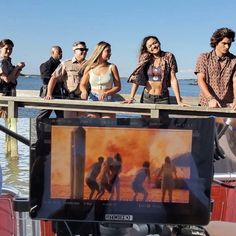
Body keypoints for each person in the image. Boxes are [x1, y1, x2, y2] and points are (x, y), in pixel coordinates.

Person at [125, 36, 185, 107]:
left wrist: (179, 100)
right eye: (150, 46)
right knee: (145, 118)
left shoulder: (168, 56)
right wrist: (131, 97)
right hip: (147, 97)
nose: (153, 46)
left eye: (155, 43)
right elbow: (137, 77)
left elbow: (173, 79)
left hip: (163, 98)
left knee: (163, 118)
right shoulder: (145, 58)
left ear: (159, 43)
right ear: (147, 49)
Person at [195, 27, 236, 110]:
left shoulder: (234, 60)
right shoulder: (204, 58)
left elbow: (235, 82)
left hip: (228, 106)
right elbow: (201, 80)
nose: (227, 46)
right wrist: (210, 98)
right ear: (216, 42)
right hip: (207, 105)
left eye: (229, 44)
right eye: (224, 43)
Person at [45, 41, 88, 117]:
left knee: (84, 125)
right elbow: (54, 77)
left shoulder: (89, 65)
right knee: (70, 125)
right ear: (74, 50)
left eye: (86, 50)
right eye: (81, 49)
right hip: (70, 100)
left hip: (85, 101)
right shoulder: (66, 63)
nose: (84, 51)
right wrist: (49, 94)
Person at [79, 41, 121, 118]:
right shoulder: (89, 67)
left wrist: (107, 93)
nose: (110, 53)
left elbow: (118, 86)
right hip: (93, 99)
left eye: (110, 51)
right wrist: (84, 91)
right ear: (100, 51)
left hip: (108, 100)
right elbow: (82, 84)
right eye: (107, 51)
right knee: (93, 123)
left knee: (107, 124)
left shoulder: (112, 67)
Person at [0, 39, 25, 117]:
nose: (8, 51)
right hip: (3, 95)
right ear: (0, 48)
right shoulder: (1, 62)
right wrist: (17, 67)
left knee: (11, 119)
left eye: (10, 49)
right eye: (6, 48)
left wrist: (19, 69)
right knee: (5, 119)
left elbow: (13, 79)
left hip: (10, 94)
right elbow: (7, 79)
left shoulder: (7, 61)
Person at [37, 46, 64, 119]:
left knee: (62, 116)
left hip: (59, 93)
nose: (61, 54)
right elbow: (45, 80)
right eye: (59, 52)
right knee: (43, 115)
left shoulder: (62, 65)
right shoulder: (45, 65)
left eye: (61, 52)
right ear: (52, 53)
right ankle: (37, 128)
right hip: (48, 94)